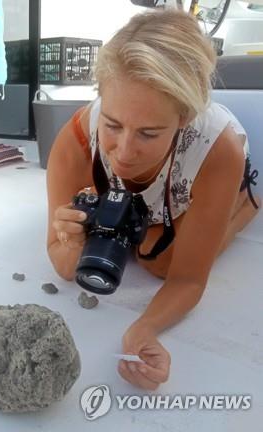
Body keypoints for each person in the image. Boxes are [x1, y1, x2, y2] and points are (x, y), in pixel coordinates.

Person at [46, 9, 260, 390]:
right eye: (112, 125)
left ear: (185, 116)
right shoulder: (77, 138)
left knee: (158, 261)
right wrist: (73, 241)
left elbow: (189, 279)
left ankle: (245, 205)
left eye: (148, 132)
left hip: (198, 177)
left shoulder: (218, 150)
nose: (124, 152)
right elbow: (63, 264)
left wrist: (144, 328)